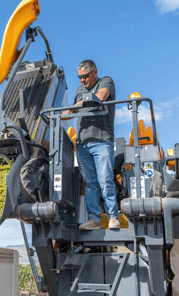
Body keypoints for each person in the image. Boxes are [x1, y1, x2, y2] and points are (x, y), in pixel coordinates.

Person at [63, 60, 120, 230]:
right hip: (82, 144)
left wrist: (77, 106)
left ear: (94, 72)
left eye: (85, 76)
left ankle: (112, 217)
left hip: (101, 140)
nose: (82, 80)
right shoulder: (80, 90)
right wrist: (56, 117)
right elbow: (71, 111)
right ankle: (94, 219)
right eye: (80, 77)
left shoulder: (106, 81)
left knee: (105, 180)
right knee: (90, 183)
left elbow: (100, 97)